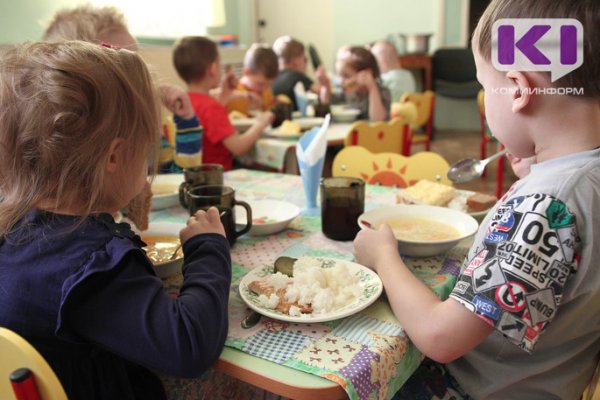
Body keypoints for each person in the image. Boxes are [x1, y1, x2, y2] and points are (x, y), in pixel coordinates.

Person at [354, 0, 600, 398]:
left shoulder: (546, 208)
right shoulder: (577, 179)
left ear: (519, 90)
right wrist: (539, 169)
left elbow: (440, 337)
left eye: (486, 87)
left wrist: (383, 257)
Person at [0, 41, 231, 399]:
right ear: (115, 156)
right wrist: (208, 250)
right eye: (147, 151)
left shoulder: (14, 227)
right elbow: (190, 345)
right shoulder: (93, 267)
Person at [43, 5, 203, 172]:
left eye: (137, 63)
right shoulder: (66, 141)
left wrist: (186, 121)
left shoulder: (143, 127)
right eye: (121, 66)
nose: (138, 77)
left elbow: (177, 177)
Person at [173, 36, 274, 171]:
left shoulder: (184, 101)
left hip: (196, 176)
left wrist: (225, 96)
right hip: (219, 177)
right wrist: (259, 124)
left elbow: (210, 128)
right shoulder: (211, 107)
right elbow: (238, 148)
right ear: (213, 69)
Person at [271, 35, 331, 111]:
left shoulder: (272, 78)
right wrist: (325, 85)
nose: (306, 64)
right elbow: (322, 96)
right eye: (304, 59)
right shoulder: (296, 76)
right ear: (296, 60)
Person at [335, 45, 391, 121]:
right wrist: (325, 88)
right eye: (340, 76)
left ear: (367, 74)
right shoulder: (349, 92)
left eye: (346, 76)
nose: (341, 81)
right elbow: (327, 103)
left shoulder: (383, 93)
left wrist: (372, 88)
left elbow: (378, 119)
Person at [225, 43, 279, 116]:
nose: (265, 88)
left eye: (269, 84)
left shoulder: (267, 92)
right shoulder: (234, 94)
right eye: (260, 84)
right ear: (246, 72)